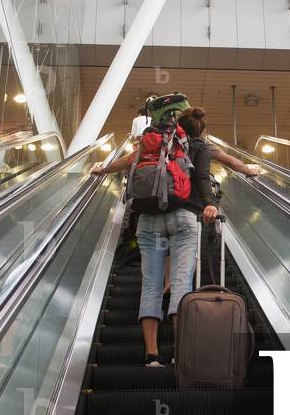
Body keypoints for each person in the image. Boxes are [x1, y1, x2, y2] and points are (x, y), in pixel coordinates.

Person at [90, 107, 219, 368]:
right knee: (181, 285)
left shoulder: (151, 143)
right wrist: (210, 203)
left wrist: (102, 170)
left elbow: (126, 161)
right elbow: (203, 178)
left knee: (150, 285)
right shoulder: (198, 147)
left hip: (148, 220)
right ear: (200, 130)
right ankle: (181, 354)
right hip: (183, 218)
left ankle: (151, 356)